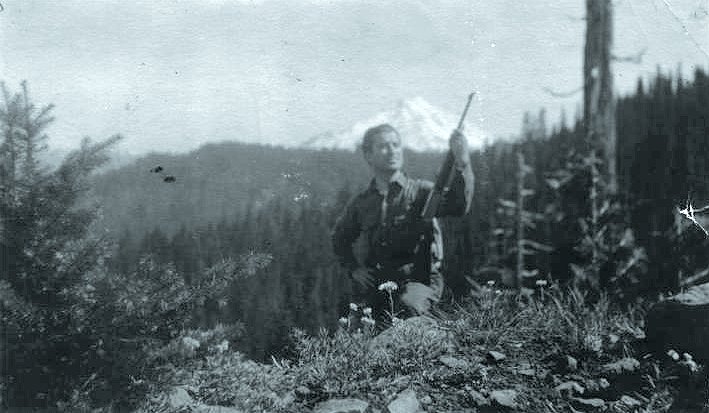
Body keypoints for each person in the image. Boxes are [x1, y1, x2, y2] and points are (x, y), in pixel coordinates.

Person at [332, 123, 474, 323]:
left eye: (396, 144)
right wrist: (354, 269)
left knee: (407, 309)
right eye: (383, 146)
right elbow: (339, 239)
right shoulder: (362, 203)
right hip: (378, 284)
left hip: (419, 282)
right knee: (355, 330)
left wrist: (462, 162)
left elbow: (459, 206)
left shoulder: (421, 192)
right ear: (368, 155)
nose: (392, 151)